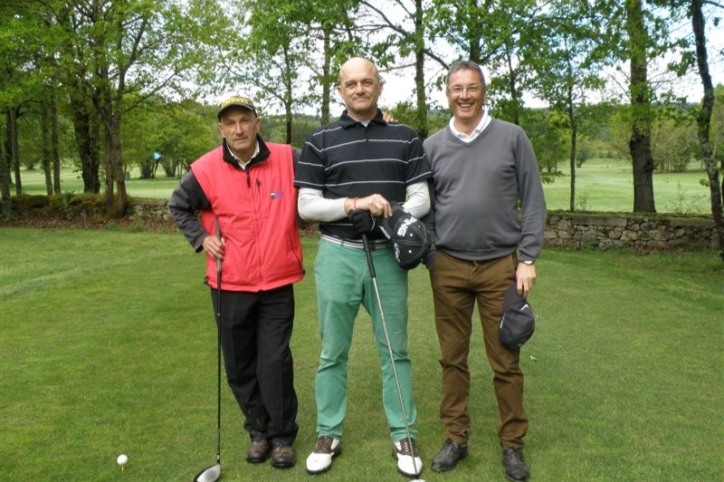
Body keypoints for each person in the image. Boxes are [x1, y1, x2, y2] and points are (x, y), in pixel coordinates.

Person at [295, 57, 432, 477]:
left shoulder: (405, 137)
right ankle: (328, 431)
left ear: (379, 86)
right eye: (351, 83)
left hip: (387, 256)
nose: (359, 89)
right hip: (338, 253)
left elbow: (422, 197)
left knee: (395, 348)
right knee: (331, 351)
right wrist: (353, 205)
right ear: (340, 90)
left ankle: (403, 432)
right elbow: (306, 205)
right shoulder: (319, 140)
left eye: (366, 82)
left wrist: (385, 215)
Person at [422, 60, 547, 482]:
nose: (464, 95)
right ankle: (456, 438)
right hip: (449, 266)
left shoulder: (512, 137)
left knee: (506, 359)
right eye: (456, 88)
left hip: (502, 268)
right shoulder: (433, 145)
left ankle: (512, 446)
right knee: (452, 359)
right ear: (447, 93)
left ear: (484, 92)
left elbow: (533, 200)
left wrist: (527, 257)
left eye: (472, 88)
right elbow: (424, 205)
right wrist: (432, 254)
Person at [168, 94, 304, 470]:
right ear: (221, 129)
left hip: (277, 280)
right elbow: (179, 206)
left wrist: (379, 126)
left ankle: (281, 437)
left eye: (244, 120)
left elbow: (329, 164)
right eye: (230, 123)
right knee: (240, 365)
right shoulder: (206, 169)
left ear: (257, 123)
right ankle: (257, 432)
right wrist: (201, 238)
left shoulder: (288, 158)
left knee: (275, 362)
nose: (238, 129)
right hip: (229, 283)